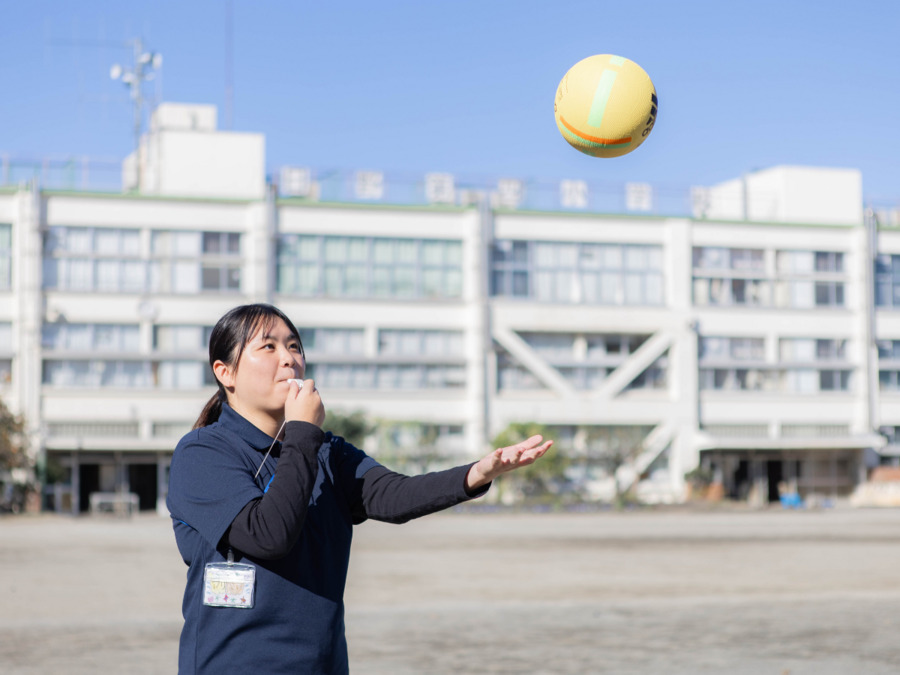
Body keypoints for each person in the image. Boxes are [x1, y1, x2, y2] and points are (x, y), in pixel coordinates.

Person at [166, 303, 552, 674]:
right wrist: (302, 432)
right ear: (225, 372)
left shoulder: (325, 450)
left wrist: (477, 473)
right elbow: (269, 535)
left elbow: (396, 496)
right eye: (268, 346)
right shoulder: (203, 453)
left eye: (294, 346)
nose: (289, 358)